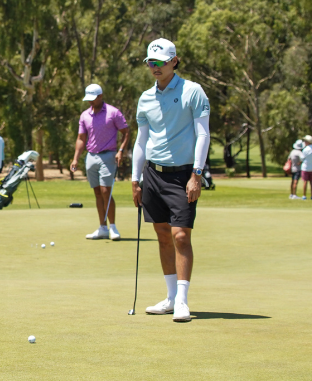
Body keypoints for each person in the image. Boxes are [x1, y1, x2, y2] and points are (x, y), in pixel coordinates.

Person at [131, 38, 211, 323]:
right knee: (163, 234)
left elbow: (203, 134)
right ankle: (170, 298)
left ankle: (183, 301)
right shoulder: (145, 98)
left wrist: (197, 175)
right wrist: (135, 179)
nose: (154, 67)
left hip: (183, 174)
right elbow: (141, 140)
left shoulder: (193, 91)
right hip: (152, 174)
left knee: (180, 235)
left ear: (174, 61)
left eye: (160, 62)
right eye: (150, 62)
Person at [70, 83, 130, 241]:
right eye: (88, 99)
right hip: (91, 157)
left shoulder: (113, 112)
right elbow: (81, 138)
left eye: (93, 99)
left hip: (108, 155)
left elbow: (126, 133)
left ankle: (113, 227)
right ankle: (102, 227)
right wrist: (76, 158)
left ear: (100, 96)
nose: (90, 102)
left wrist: (121, 151)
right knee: (97, 192)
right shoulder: (85, 115)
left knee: (105, 191)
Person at [301, 135, 312, 200]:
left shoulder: (305, 149)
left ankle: (304, 195)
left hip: (305, 167)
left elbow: (302, 158)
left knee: (305, 181)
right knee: (311, 182)